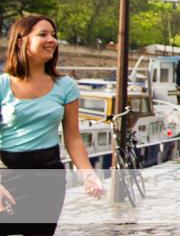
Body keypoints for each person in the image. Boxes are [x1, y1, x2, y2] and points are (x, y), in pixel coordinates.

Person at [0, 15, 103, 236]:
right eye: (43, 34)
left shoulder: (66, 87)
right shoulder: (2, 85)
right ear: (21, 41)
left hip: (48, 181)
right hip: (6, 179)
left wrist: (88, 175)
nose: (52, 40)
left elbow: (73, 138)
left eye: (54, 35)